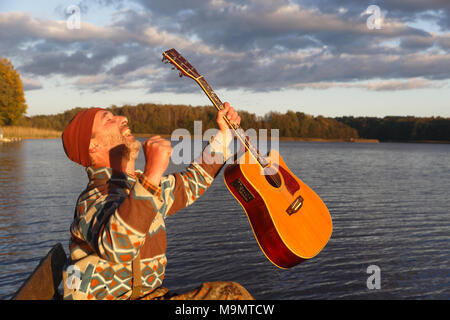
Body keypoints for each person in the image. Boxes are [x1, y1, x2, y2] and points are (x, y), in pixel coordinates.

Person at [61, 103, 254, 300]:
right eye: (108, 119)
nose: (122, 118)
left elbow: (192, 183)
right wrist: (152, 173)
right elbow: (118, 247)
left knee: (231, 295)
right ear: (93, 146)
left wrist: (224, 135)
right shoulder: (92, 200)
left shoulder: (135, 186)